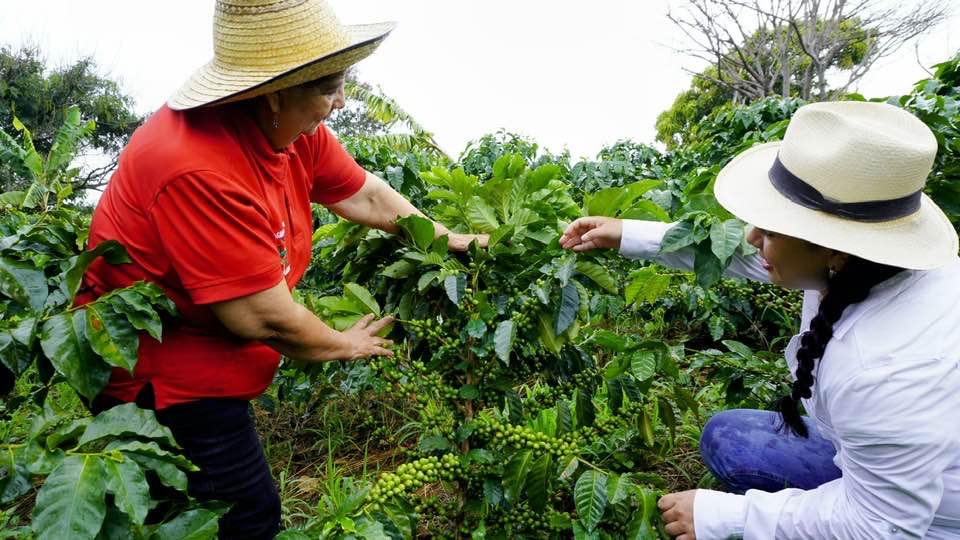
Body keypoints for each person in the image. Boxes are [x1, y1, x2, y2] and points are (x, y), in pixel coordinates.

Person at [78, 1, 485, 538]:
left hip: (210, 359)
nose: (340, 101)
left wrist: (445, 237)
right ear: (273, 90)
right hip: (158, 379)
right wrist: (344, 343)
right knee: (240, 517)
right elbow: (261, 318)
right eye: (327, 88)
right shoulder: (195, 164)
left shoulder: (294, 131)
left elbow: (363, 194)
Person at [560, 101, 960, 539]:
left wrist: (727, 518)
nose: (751, 236)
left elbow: (882, 527)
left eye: (770, 229)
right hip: (886, 453)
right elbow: (747, 255)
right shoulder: (866, 260)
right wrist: (626, 233)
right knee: (728, 437)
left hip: (930, 516)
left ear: (834, 248)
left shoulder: (886, 370)